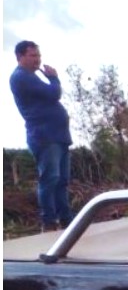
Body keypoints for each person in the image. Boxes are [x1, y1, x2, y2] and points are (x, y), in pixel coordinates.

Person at [10, 40, 73, 231]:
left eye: (39, 56)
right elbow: (54, 93)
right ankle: (49, 221)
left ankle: (66, 219)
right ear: (20, 57)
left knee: (62, 180)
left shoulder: (32, 77)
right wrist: (54, 78)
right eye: (33, 56)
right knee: (50, 178)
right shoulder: (21, 77)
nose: (37, 60)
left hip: (59, 136)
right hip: (45, 137)